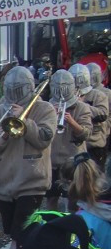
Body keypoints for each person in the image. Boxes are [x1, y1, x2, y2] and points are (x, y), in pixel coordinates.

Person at [0, 66, 56, 249]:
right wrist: (4, 134)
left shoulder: (44, 109)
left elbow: (45, 138)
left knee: (20, 233)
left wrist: (25, 123)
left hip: (31, 181)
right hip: (4, 183)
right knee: (15, 234)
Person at [47, 69, 92, 210]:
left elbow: (86, 134)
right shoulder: (47, 107)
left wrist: (72, 122)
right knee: (51, 198)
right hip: (52, 161)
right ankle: (52, 226)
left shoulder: (82, 108)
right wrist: (51, 118)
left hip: (74, 161)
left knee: (73, 200)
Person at [76, 63, 109, 169]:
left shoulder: (101, 94)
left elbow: (103, 114)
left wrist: (82, 106)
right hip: (78, 144)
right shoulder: (74, 94)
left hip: (95, 141)